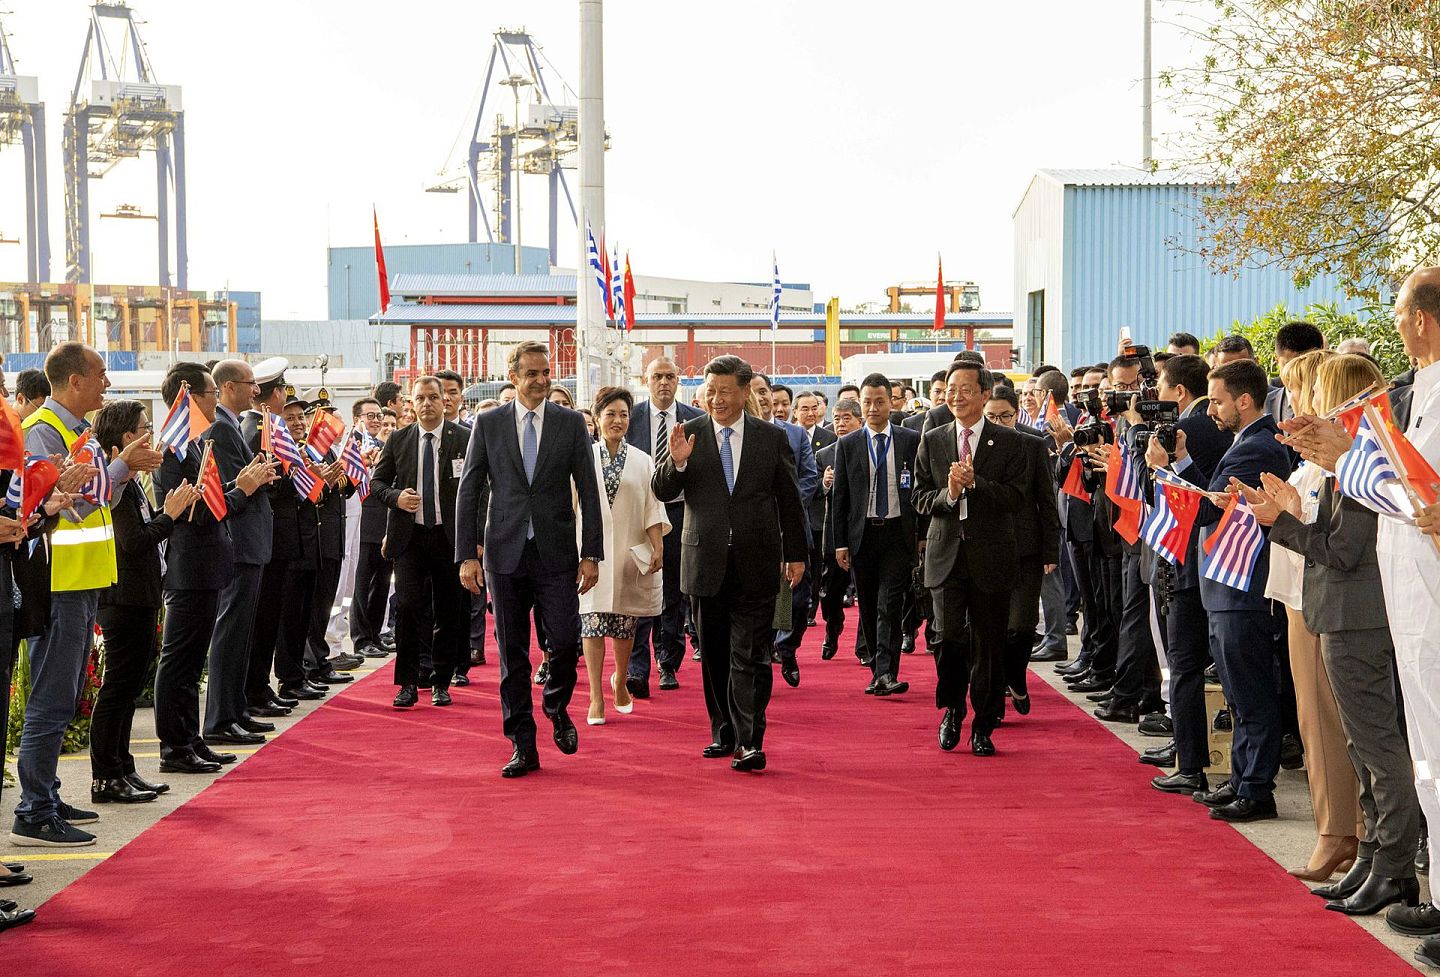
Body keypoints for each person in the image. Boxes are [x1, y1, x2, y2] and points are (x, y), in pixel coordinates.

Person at [1256, 353, 1421, 914]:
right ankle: (1375, 855)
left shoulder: (1361, 459)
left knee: (1379, 747)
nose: (1313, 411)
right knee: (1362, 744)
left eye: (1323, 397)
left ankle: (1394, 865)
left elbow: (1344, 550)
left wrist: (1281, 524)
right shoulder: (1347, 461)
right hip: (1344, 613)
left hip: (1359, 616)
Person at [11, 342, 157, 848]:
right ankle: (34, 808)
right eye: (99, 375)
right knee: (51, 697)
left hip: (84, 579)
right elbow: (60, 505)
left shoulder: (78, 432)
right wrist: (117, 472)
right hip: (60, 582)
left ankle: (45, 794)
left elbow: (98, 499)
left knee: (65, 693)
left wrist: (124, 470)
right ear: (74, 381)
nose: (106, 384)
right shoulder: (41, 432)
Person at [455, 342, 604, 778]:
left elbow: (589, 491)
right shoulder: (488, 423)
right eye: (533, 373)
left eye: (546, 372)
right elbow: (470, 490)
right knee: (512, 653)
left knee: (564, 640)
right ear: (514, 376)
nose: (542, 380)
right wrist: (466, 555)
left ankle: (556, 705)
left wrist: (591, 552)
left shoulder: (571, 423)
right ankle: (522, 742)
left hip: (556, 552)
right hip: (504, 553)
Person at [653, 354, 807, 772]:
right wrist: (679, 460)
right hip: (704, 561)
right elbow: (662, 489)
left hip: (758, 562)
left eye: (724, 391)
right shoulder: (689, 433)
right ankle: (722, 730)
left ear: (744, 391)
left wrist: (796, 554)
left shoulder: (770, 438)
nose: (716, 399)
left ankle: (750, 740)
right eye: (710, 391)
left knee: (751, 655)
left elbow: (790, 502)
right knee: (717, 655)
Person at [1166, 359, 1292, 822]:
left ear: (1244, 400)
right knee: (1237, 693)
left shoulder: (1256, 446)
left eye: (1217, 401)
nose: (1211, 410)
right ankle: (1242, 778)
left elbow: (1206, 510)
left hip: (1242, 589)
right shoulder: (1245, 442)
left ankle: (1257, 787)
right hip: (1227, 588)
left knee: (1252, 691)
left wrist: (1175, 466)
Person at [1255, 348, 1363, 879]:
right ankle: (1343, 831)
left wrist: (1287, 516)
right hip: (1306, 595)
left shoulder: (1348, 461)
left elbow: (1331, 539)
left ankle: (1345, 832)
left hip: (1327, 597)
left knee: (1333, 724)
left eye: (1304, 391)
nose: (1296, 404)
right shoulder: (1318, 464)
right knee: (1320, 721)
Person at [153, 363, 274, 778]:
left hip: (208, 563)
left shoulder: (191, 443)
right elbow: (198, 510)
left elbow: (209, 500)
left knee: (190, 666)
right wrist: (243, 488)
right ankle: (175, 746)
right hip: (190, 565)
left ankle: (190, 740)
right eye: (207, 394)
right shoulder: (172, 449)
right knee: (180, 662)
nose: (212, 401)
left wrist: (237, 486)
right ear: (188, 395)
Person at [912, 359, 1027, 757]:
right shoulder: (933, 438)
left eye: (965, 389)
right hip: (946, 554)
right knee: (947, 638)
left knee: (990, 642)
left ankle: (984, 721)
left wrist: (977, 483)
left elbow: (1017, 498)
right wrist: (951, 494)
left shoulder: (1010, 441)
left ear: (984, 393)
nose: (956, 396)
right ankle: (952, 708)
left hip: (991, 554)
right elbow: (921, 497)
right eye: (950, 389)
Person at [89, 401, 201, 804]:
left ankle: (123, 768)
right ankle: (106, 774)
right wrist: (168, 516)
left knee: (129, 685)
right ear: (125, 438)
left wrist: (167, 512)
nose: (150, 433)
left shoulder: (131, 481)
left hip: (139, 594)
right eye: (143, 427)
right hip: (123, 596)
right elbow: (133, 543)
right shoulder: (114, 483)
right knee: (118, 686)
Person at [372, 377, 470, 709]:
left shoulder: (463, 439)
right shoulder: (399, 440)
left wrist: (476, 538)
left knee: (448, 610)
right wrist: (396, 497)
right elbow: (377, 482)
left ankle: (441, 681)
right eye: (420, 398)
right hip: (410, 539)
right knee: (409, 607)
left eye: (433, 397)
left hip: (449, 537)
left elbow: (481, 487)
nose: (426, 404)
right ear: (411, 404)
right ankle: (408, 683)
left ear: (445, 402)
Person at [580, 387, 670, 725]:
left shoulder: (642, 460)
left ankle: (619, 677)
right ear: (598, 418)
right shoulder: (583, 456)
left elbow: (652, 507)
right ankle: (595, 696)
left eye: (623, 415)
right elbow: (570, 507)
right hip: (590, 552)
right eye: (610, 414)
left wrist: (657, 545)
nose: (617, 420)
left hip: (630, 552)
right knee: (591, 622)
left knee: (622, 623)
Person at [831, 373, 921, 697]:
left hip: (898, 533)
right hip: (863, 534)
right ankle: (875, 669)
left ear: (890, 403)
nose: (873, 408)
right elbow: (839, 498)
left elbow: (920, 490)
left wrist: (921, 535)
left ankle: (887, 672)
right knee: (868, 605)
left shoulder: (910, 439)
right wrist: (839, 542)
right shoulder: (848, 444)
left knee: (889, 604)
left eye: (879, 401)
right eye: (867, 402)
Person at [201, 360, 275, 747]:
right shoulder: (221, 428)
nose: (255, 391)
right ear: (229, 386)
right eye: (250, 384)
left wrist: (260, 474)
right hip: (240, 542)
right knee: (229, 635)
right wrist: (257, 478)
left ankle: (236, 710)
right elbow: (232, 489)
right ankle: (220, 718)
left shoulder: (231, 426)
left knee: (241, 634)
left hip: (251, 542)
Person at [625, 356, 703, 698]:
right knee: (639, 592)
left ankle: (668, 662)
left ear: (679, 380)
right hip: (639, 518)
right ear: (646, 379)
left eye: (670, 376)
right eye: (657, 376)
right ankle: (637, 668)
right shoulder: (631, 419)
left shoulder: (695, 422)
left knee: (673, 592)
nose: (664, 383)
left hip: (681, 515)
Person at [983, 385, 1060, 716]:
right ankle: (996, 691)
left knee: (1022, 626)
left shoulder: (1032, 444)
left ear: (1018, 414)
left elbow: (1046, 499)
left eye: (1005, 416)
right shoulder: (973, 445)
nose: (999, 422)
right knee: (992, 627)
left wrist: (1050, 550)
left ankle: (1015, 674)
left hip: (1026, 548)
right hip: (986, 548)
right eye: (992, 416)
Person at [750, 373, 818, 688]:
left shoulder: (795, 435)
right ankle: (762, 656)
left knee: (794, 595)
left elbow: (808, 476)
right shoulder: (737, 436)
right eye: (756, 393)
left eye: (765, 392)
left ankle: (786, 646)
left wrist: (785, 507)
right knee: (764, 595)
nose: (764, 399)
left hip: (789, 525)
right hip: (755, 530)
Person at [815, 398, 864, 660]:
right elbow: (813, 493)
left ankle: (864, 646)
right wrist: (825, 484)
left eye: (847, 418)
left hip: (864, 532)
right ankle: (832, 630)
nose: (841, 424)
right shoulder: (824, 455)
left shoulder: (869, 449)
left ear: (859, 421)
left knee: (867, 593)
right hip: (834, 534)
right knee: (830, 592)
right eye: (837, 418)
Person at [1268, 320, 1327, 421]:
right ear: (1276, 359)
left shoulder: (1335, 402)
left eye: (1307, 365)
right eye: (1289, 366)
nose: (1297, 373)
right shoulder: (1264, 405)